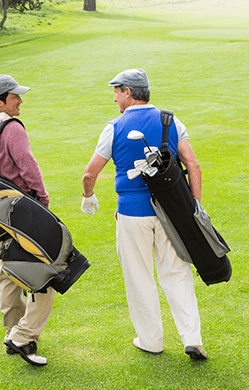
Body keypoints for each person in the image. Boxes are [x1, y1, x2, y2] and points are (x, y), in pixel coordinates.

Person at [81, 68, 207, 360]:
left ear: (128, 92)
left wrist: (88, 197)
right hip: (173, 213)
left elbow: (90, 173)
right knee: (177, 274)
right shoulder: (170, 120)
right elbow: (193, 165)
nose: (114, 99)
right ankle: (193, 338)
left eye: (116, 91)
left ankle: (151, 341)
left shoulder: (114, 126)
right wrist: (194, 207)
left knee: (139, 277)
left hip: (132, 215)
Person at [0, 74, 54, 367]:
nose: (20, 100)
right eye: (14, 96)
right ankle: (23, 335)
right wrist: (43, 202)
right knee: (45, 274)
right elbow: (28, 167)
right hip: (22, 214)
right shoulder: (12, 128)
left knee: (8, 274)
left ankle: (13, 334)